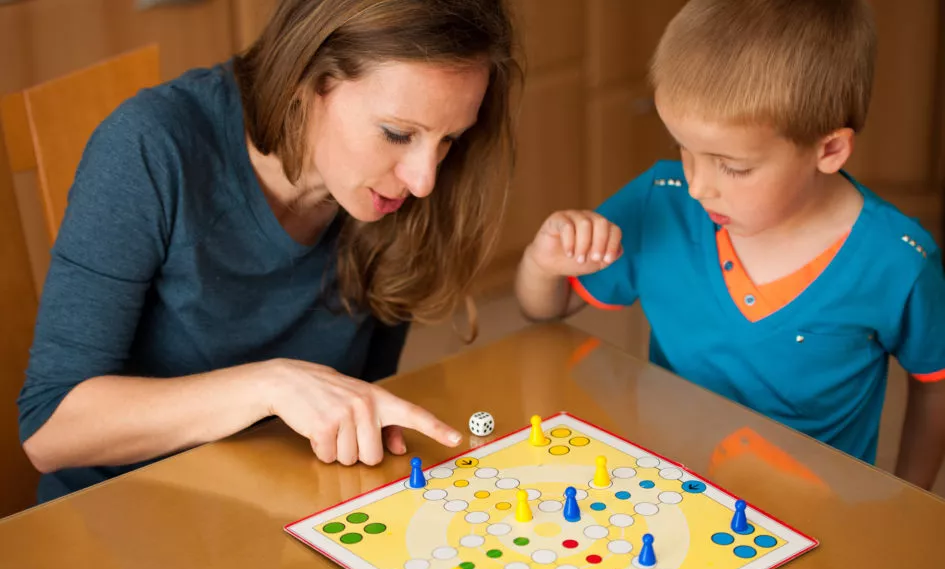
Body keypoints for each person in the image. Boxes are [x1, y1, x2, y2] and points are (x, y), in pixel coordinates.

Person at [18, 0, 522, 503]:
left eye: (449, 139)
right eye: (397, 133)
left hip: (279, 502)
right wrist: (269, 387)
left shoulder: (397, 197)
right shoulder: (151, 145)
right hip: (119, 515)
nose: (424, 180)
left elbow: (362, 397)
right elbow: (50, 428)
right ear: (308, 79)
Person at [516, 0, 945, 489]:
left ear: (829, 150)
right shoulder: (664, 201)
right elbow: (545, 310)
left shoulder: (899, 260)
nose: (699, 186)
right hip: (670, 496)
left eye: (733, 166)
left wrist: (912, 499)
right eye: (684, 150)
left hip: (822, 527)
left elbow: (935, 383)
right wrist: (543, 264)